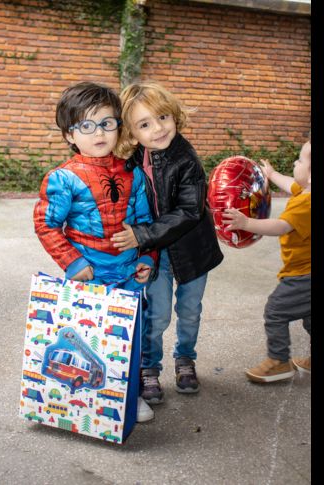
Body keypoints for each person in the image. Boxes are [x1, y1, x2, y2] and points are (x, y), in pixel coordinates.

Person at [33, 81, 157, 421]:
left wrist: (148, 257)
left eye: (106, 123)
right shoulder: (63, 178)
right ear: (70, 135)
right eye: (86, 125)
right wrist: (73, 262)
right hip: (89, 275)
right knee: (87, 342)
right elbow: (46, 224)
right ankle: (86, 400)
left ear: (119, 126)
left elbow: (146, 221)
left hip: (131, 274)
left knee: (131, 341)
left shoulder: (134, 174)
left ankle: (129, 397)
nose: (98, 132)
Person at [111, 81, 223, 406]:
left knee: (189, 311)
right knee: (156, 314)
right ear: (131, 132)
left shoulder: (186, 159)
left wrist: (142, 235)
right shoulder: (131, 161)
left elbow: (189, 211)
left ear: (174, 115)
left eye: (163, 117)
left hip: (192, 251)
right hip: (155, 255)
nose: (158, 128)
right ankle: (149, 367)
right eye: (144, 124)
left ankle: (185, 358)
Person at [221, 137, 311, 382]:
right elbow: (292, 182)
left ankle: (279, 361)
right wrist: (271, 174)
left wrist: (246, 223)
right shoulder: (305, 190)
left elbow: (280, 226)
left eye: (301, 160)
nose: (295, 161)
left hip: (303, 276)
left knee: (275, 311)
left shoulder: (306, 203)